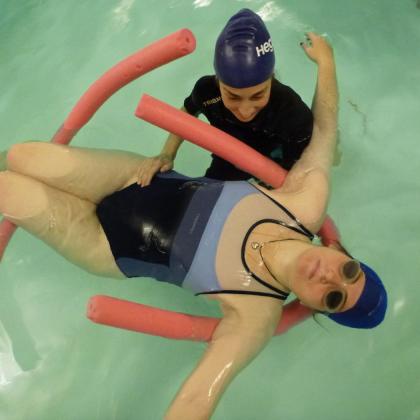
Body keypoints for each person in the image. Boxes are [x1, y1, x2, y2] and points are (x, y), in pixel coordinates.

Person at [0, 34, 386, 419]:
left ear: (312, 307)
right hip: (136, 176)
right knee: (23, 156)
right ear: (338, 250)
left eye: (333, 298)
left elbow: (197, 398)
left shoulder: (256, 318)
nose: (330, 279)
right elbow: (325, 130)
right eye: (349, 271)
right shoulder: (305, 205)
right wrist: (327, 61)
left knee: (9, 191)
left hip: (106, 245)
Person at [137, 8, 314, 186]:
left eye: (257, 96)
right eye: (233, 97)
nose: (245, 111)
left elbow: (304, 165)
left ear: (271, 79)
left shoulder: (291, 110)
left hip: (276, 161)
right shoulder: (207, 91)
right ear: (218, 81)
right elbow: (187, 112)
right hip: (229, 158)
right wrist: (167, 154)